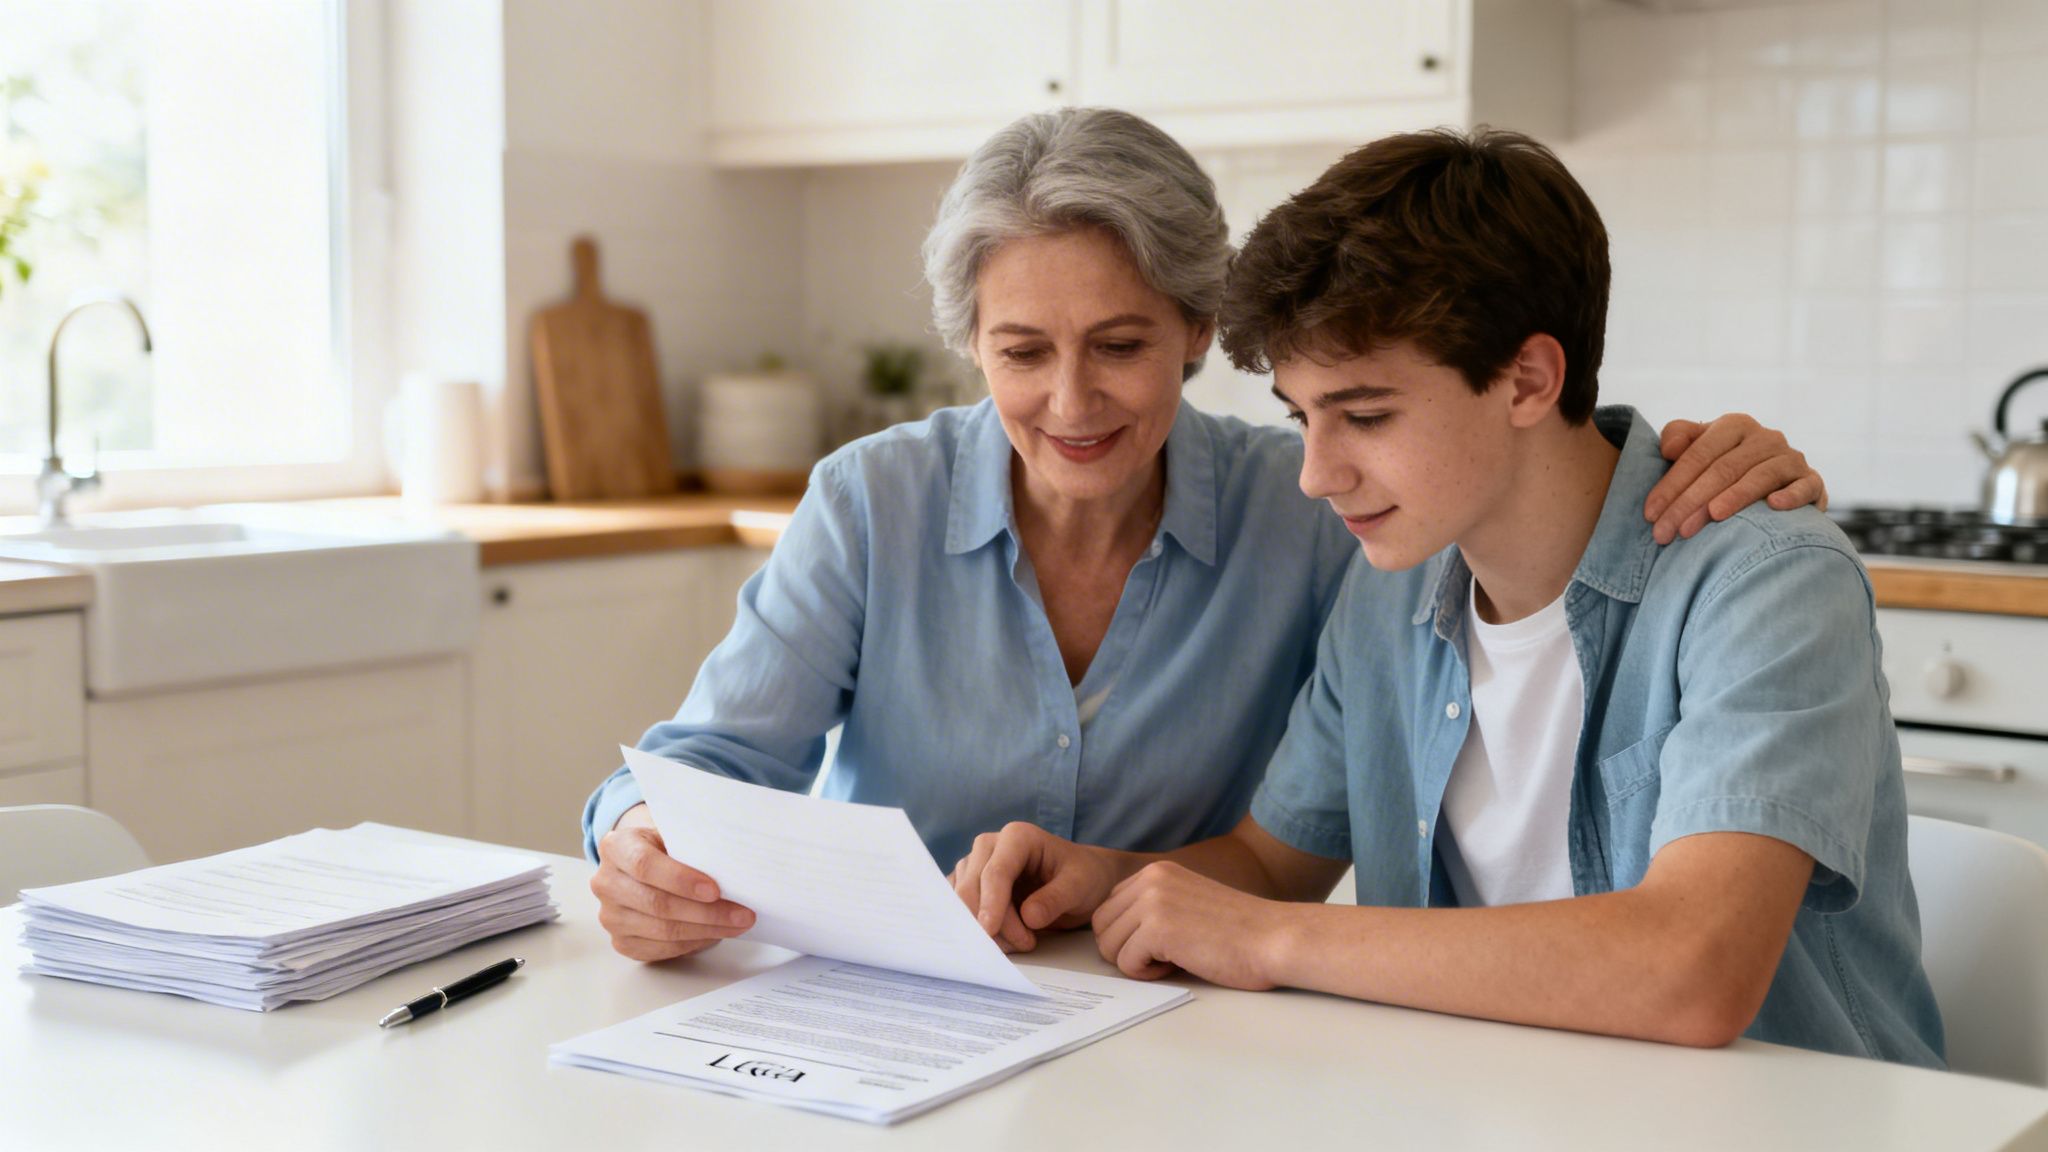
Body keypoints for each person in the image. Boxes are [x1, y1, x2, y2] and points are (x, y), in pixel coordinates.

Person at [584, 108, 1826, 966]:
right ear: (972, 345)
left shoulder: (1336, 532)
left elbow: (1524, 462)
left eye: (1119, 345)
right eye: (1021, 352)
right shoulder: (872, 502)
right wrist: (642, 842)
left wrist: (1696, 463)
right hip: (917, 1026)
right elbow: (695, 770)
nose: (1069, 404)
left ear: (1193, 329)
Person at [951, 127, 1944, 1068]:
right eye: (1302, 418)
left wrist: (1275, 942)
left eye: (1365, 415)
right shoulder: (1393, 590)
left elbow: (1691, 970)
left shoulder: (1759, 582)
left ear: (1525, 379)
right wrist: (1104, 881)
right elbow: (1266, 867)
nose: (1316, 473)